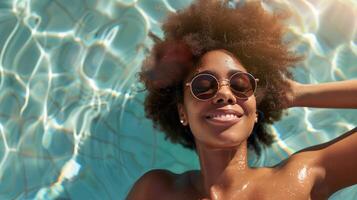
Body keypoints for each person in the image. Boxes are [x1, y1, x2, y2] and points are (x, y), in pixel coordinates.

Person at [126, 0, 357, 199]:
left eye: (240, 85)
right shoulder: (156, 191)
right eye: (204, 86)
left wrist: (293, 94)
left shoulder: (301, 179)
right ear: (182, 112)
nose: (225, 94)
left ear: (256, 110)